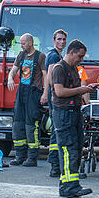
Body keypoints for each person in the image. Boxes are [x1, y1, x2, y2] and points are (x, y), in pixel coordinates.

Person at [49, 39, 98, 197]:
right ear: (71, 52)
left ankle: (68, 185)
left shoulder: (74, 68)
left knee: (75, 149)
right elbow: (60, 92)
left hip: (74, 112)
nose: (81, 59)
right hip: (64, 114)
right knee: (69, 150)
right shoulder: (59, 68)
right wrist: (81, 89)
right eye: (80, 56)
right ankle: (70, 187)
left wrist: (85, 90)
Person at [7, 33, 46, 166]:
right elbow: (14, 69)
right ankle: (20, 156)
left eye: (23, 43)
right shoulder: (21, 55)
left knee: (31, 126)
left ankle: (32, 157)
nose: (22, 46)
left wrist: (45, 93)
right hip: (21, 92)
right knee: (18, 124)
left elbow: (45, 75)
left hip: (34, 93)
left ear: (30, 42)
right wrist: (10, 78)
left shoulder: (40, 56)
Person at [41, 29, 67, 177]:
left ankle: (56, 164)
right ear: (53, 40)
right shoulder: (53, 56)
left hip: (54, 95)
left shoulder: (57, 55)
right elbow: (49, 75)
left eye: (63, 39)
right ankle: (55, 164)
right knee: (56, 130)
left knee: (56, 129)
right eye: (59, 39)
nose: (61, 42)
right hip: (54, 96)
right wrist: (47, 93)